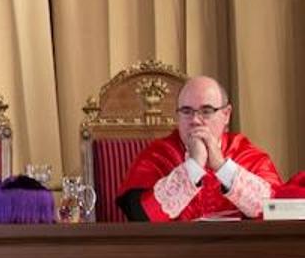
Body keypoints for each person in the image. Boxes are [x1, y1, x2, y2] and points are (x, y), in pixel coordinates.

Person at [117, 75, 282, 221]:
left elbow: (276, 211)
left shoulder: (247, 155)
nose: (195, 120)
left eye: (206, 111)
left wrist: (221, 167)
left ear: (226, 114)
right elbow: (141, 216)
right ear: (177, 116)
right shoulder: (158, 155)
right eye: (186, 111)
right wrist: (193, 168)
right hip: (172, 253)